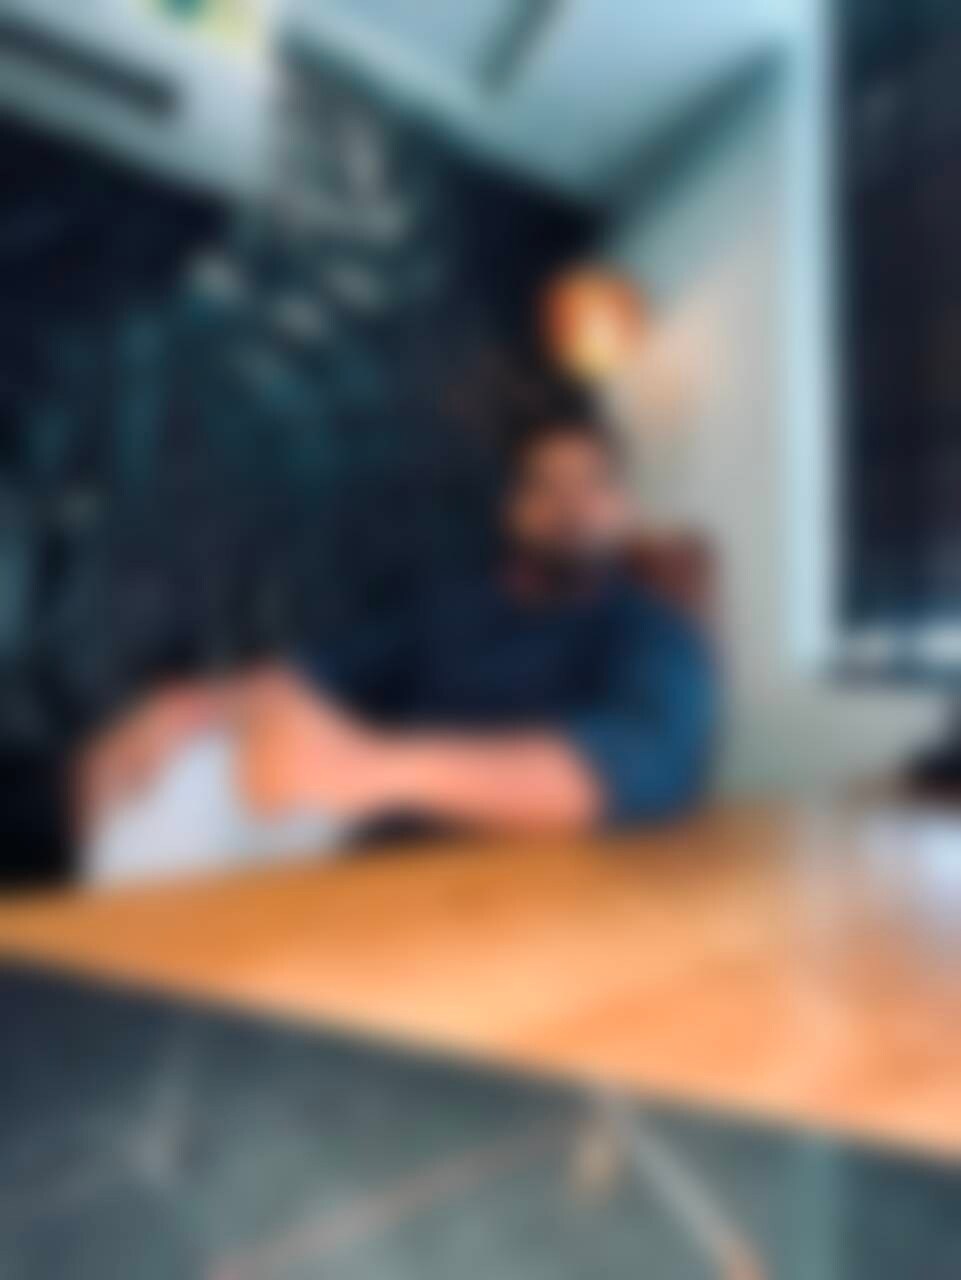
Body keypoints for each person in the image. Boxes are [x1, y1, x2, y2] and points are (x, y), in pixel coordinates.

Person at [77, 412, 716, 843]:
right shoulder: (452, 607)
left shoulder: (656, 633)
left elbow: (643, 767)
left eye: (593, 485)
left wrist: (374, 769)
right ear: (513, 511)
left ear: (626, 508)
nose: (570, 504)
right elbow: (316, 673)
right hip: (382, 858)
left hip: (567, 891)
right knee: (178, 778)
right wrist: (178, 708)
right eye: (544, 486)